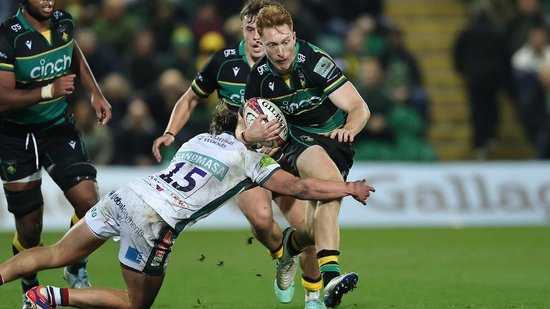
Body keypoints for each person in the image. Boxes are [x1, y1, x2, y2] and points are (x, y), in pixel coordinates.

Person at [0, 101, 376, 309]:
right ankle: (48, 297)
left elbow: (233, 142)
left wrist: (248, 133)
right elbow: (301, 188)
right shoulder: (254, 162)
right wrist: (346, 187)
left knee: (54, 253)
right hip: (155, 219)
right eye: (275, 136)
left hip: (127, 194)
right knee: (135, 304)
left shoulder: (199, 139)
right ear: (266, 136)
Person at [151, 1, 326, 308]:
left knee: (305, 228)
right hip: (243, 158)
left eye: (262, 30)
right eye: (250, 29)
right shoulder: (224, 62)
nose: (257, 36)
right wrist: (169, 132)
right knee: (261, 220)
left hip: (286, 155)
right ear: (243, 30)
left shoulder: (291, 62)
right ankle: (283, 257)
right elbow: (190, 98)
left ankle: (314, 298)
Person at [241, 4, 371, 308]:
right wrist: (255, 136)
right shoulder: (258, 78)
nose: (282, 51)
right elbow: (244, 125)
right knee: (330, 186)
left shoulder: (315, 62)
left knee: (312, 230)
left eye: (286, 42)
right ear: (260, 42)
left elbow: (359, 107)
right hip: (298, 140)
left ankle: (289, 246)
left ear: (294, 36)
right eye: (272, 45)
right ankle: (331, 279)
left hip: (336, 140)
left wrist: (350, 127)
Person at [0, 0, 112, 304]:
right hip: (15, 136)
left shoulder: (64, 22)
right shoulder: (7, 37)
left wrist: (96, 93)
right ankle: (30, 287)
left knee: (90, 201)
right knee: (30, 229)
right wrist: (49, 90)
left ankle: (75, 267)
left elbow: (73, 52)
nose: (49, 1)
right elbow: (2, 97)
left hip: (57, 126)